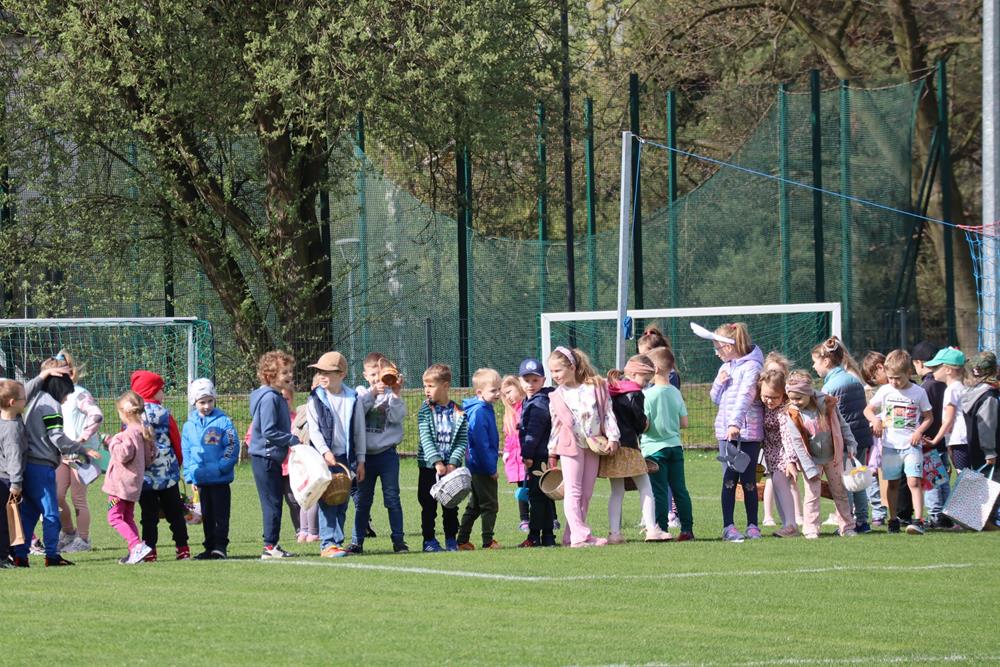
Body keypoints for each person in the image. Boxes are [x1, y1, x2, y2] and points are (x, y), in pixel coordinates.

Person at [12, 360, 100, 567]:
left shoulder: (34, 399)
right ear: (60, 388)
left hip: (29, 465)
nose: (67, 398)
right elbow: (57, 437)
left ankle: (20, 555)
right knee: (51, 513)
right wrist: (82, 448)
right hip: (41, 467)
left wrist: (45, 375)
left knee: (29, 512)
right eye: (67, 393)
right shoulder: (51, 404)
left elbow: (24, 390)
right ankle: (52, 555)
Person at [546, 346, 620, 548]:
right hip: (570, 444)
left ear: (572, 366)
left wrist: (613, 437)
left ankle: (571, 536)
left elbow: (607, 413)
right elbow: (556, 424)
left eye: (558, 370)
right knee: (573, 490)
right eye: (552, 372)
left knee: (586, 492)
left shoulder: (596, 386)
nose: (554, 376)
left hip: (594, 444)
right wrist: (552, 451)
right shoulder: (556, 396)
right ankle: (580, 536)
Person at [863, 349, 933, 534]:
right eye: (891, 377)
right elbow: (868, 410)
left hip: (911, 446)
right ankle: (893, 519)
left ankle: (918, 520)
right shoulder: (885, 390)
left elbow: (928, 417)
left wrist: (919, 432)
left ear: (908, 373)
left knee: (914, 481)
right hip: (890, 446)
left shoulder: (918, 392)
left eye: (898, 378)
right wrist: (876, 420)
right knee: (892, 483)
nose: (894, 382)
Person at [780, 371, 857, 539]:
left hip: (833, 457)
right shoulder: (793, 413)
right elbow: (798, 444)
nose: (794, 402)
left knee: (839, 492)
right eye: (791, 398)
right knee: (812, 494)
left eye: (798, 398)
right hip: (811, 460)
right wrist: (809, 468)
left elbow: (842, 425)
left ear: (809, 393)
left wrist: (851, 443)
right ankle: (811, 529)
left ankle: (847, 526)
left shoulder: (828, 404)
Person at [306, 351, 366, 558]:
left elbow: (359, 431)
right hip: (324, 457)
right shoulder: (315, 398)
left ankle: (337, 542)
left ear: (341, 374)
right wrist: (325, 452)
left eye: (327, 372)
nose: (322, 376)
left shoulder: (353, 398)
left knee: (341, 500)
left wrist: (361, 460)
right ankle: (327, 543)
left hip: (346, 458)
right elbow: (314, 430)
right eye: (320, 372)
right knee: (328, 500)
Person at [709, 322, 764, 541]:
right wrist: (718, 383)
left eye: (718, 348)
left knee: (749, 480)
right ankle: (728, 526)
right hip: (726, 433)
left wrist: (736, 423)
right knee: (729, 480)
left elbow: (745, 396)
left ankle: (753, 525)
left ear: (729, 346)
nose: (716, 353)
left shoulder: (752, 367)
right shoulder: (725, 368)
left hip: (748, 433)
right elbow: (715, 398)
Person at [812, 336, 874, 533]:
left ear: (826, 361)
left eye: (815, 362)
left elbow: (829, 418)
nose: (814, 367)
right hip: (862, 438)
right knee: (858, 480)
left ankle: (846, 522)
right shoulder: (853, 379)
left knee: (844, 483)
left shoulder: (830, 387)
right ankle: (863, 521)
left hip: (845, 442)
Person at [350, 353, 408, 554]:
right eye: (373, 374)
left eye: (380, 373)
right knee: (363, 500)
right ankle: (357, 541)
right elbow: (358, 411)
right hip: (365, 456)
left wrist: (396, 393)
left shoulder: (392, 394)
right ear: (366, 375)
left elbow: (397, 417)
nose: (377, 378)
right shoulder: (361, 393)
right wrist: (373, 393)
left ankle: (399, 541)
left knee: (392, 497)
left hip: (387, 455)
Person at [131, 370, 190, 561]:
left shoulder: (131, 415)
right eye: (160, 390)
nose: (162, 394)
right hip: (167, 473)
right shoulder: (164, 413)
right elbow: (175, 439)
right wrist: (178, 462)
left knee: (148, 515)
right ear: (151, 390)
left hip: (144, 475)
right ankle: (183, 548)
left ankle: (150, 550)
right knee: (175, 513)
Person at [248, 350, 300, 559]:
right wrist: (290, 439)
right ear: (270, 375)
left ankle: (272, 544)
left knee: (274, 500)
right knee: (272, 502)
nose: (289, 376)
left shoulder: (274, 396)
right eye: (284, 372)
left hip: (269, 456)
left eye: (290, 371)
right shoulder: (269, 398)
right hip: (266, 456)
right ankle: (270, 546)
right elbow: (268, 430)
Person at [604, 355, 660, 543]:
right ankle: (652, 530)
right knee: (645, 487)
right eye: (645, 380)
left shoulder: (612, 391)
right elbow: (638, 421)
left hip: (614, 447)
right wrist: (645, 423)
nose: (645, 384)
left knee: (617, 492)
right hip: (630, 447)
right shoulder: (635, 393)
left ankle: (614, 533)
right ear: (634, 373)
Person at [181, 378, 238, 560]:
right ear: (194, 402)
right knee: (207, 514)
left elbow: (232, 445)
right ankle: (209, 546)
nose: (206, 406)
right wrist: (190, 475)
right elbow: (187, 451)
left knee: (221, 515)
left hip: (219, 479)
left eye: (209, 401)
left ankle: (220, 546)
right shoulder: (189, 426)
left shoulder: (224, 422)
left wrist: (222, 467)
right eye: (201, 402)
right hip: (201, 478)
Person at [641, 348, 694, 541]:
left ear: (654, 369)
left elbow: (644, 424)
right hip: (675, 447)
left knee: (659, 490)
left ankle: (660, 528)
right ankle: (687, 529)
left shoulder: (647, 395)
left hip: (654, 450)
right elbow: (684, 423)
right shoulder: (675, 393)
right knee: (680, 489)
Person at [54, 350, 103, 554]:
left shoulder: (79, 393)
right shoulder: (55, 397)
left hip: (81, 454)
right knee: (55, 495)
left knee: (78, 498)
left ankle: (83, 540)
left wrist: (82, 439)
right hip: (61, 454)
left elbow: (96, 414)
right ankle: (69, 533)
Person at [416, 363, 468, 552]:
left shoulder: (460, 412)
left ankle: (450, 539)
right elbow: (426, 438)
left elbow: (462, 441)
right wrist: (436, 461)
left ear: (445, 386)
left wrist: (452, 463)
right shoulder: (425, 410)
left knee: (451, 506)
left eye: (430, 386)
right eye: (425, 386)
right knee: (428, 505)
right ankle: (429, 540)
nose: (426, 391)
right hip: (429, 467)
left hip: (451, 469)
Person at [103, 390, 157, 565]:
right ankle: (136, 552)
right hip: (134, 484)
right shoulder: (143, 431)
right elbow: (150, 458)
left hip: (120, 486)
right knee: (127, 517)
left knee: (114, 517)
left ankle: (136, 546)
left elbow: (123, 454)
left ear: (124, 413)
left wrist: (112, 442)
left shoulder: (129, 433)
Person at [457, 368, 502, 550]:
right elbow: (480, 444)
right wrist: (491, 468)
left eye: (499, 389)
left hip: (476, 465)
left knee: (474, 506)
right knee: (490, 505)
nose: (498, 393)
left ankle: (462, 540)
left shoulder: (483, 408)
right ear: (479, 392)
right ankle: (488, 541)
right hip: (481, 467)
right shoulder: (480, 412)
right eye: (493, 390)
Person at [923, 347, 967, 528]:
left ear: (948, 369)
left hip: (959, 439)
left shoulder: (951, 390)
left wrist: (935, 440)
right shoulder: (959, 387)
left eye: (936, 368)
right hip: (958, 440)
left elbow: (948, 420)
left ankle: (962, 519)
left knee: (963, 477)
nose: (932, 372)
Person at [517, 358, 556, 548]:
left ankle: (534, 536)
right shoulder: (532, 400)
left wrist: (527, 455)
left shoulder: (538, 403)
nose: (531, 384)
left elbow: (533, 432)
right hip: (543, 455)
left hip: (538, 456)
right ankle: (547, 536)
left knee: (537, 497)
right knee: (545, 495)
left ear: (543, 380)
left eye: (535, 380)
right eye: (527, 380)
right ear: (520, 380)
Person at [909, 341, 948, 527]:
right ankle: (946, 513)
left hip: (927, 440)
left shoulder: (925, 388)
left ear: (920, 363)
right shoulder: (942, 384)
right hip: (942, 439)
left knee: (932, 479)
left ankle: (936, 515)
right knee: (943, 479)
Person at [757, 369, 799, 537]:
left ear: (784, 394)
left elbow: (787, 436)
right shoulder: (763, 406)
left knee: (779, 482)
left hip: (784, 453)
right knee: (776, 485)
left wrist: (790, 461)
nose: (769, 401)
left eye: (775, 397)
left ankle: (791, 524)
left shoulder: (784, 411)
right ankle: (787, 524)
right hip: (771, 453)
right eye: (765, 396)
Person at [0, 379, 27, 568]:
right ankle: (3, 557)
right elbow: (14, 457)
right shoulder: (12, 430)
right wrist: (16, 483)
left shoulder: (7, 421)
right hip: (7, 480)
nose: (25, 402)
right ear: (12, 402)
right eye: (23, 399)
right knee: (6, 522)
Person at [860, 351, 889, 526]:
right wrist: (875, 421)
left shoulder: (894, 389)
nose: (873, 382)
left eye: (873, 377)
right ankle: (878, 512)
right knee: (871, 473)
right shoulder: (875, 391)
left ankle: (894, 511)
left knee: (891, 475)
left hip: (891, 441)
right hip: (876, 440)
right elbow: (868, 411)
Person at [499, 375, 529, 531]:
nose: (508, 397)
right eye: (505, 395)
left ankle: (551, 517)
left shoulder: (528, 406)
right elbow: (509, 436)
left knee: (538, 487)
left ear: (519, 387)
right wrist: (507, 451)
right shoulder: (509, 413)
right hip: (516, 459)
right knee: (521, 488)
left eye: (509, 392)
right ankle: (524, 519)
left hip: (529, 456)